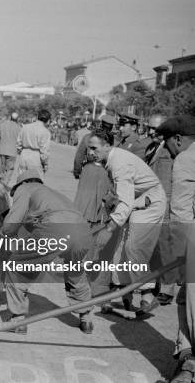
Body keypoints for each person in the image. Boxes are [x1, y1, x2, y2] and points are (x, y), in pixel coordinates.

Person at [0, 171, 95, 334]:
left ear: (22, 184)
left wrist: (4, 233)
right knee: (75, 271)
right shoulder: (50, 193)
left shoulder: (25, 189)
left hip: (55, 228)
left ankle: (17, 320)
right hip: (83, 230)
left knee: (16, 266)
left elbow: (14, 220)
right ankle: (86, 319)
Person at [88, 128, 166, 313]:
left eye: (94, 148)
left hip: (150, 205)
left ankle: (147, 295)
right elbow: (123, 196)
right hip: (137, 203)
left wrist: (109, 228)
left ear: (108, 146)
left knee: (133, 248)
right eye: (88, 148)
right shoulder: (111, 160)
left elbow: (124, 201)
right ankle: (125, 296)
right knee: (120, 250)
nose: (91, 152)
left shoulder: (119, 163)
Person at [155, 116, 195, 383]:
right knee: (184, 300)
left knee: (192, 302)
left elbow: (181, 211)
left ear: (178, 139)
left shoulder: (186, 158)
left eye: (168, 144)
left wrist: (180, 256)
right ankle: (186, 360)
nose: (168, 151)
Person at [144, 114, 177, 305]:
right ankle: (154, 283)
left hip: (166, 207)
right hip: (152, 205)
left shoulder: (172, 153)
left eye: (155, 129)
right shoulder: (153, 148)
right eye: (149, 128)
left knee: (166, 248)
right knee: (154, 248)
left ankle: (167, 288)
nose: (150, 132)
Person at [73, 115, 115, 225]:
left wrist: (77, 172)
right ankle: (93, 222)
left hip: (88, 169)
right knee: (98, 200)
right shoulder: (113, 141)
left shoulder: (88, 137)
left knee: (83, 198)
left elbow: (79, 156)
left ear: (101, 124)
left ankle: (79, 220)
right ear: (111, 127)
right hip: (104, 172)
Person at [16, 109, 52, 178]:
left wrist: (22, 152)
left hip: (24, 155)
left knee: (21, 180)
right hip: (36, 157)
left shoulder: (25, 127)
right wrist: (45, 164)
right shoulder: (45, 132)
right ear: (48, 120)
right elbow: (44, 151)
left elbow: (18, 144)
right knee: (36, 182)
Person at [0, 112, 22, 190]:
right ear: (17, 119)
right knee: (9, 168)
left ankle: (0, 183)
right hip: (12, 151)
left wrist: (1, 142)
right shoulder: (19, 128)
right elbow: (20, 141)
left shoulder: (2, 124)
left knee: (1, 168)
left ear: (10, 117)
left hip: (2, 149)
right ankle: (4, 183)